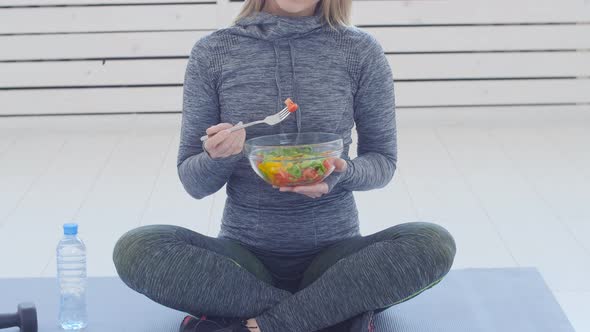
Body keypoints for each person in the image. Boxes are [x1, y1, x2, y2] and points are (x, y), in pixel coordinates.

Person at [112, 0, 456, 331]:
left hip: (337, 263)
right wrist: (220, 155)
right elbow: (194, 182)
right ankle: (325, 310)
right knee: (136, 248)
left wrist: (341, 173)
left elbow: (382, 161)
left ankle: (276, 319)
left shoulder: (360, 50)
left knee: (433, 242)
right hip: (243, 263)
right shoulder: (213, 51)